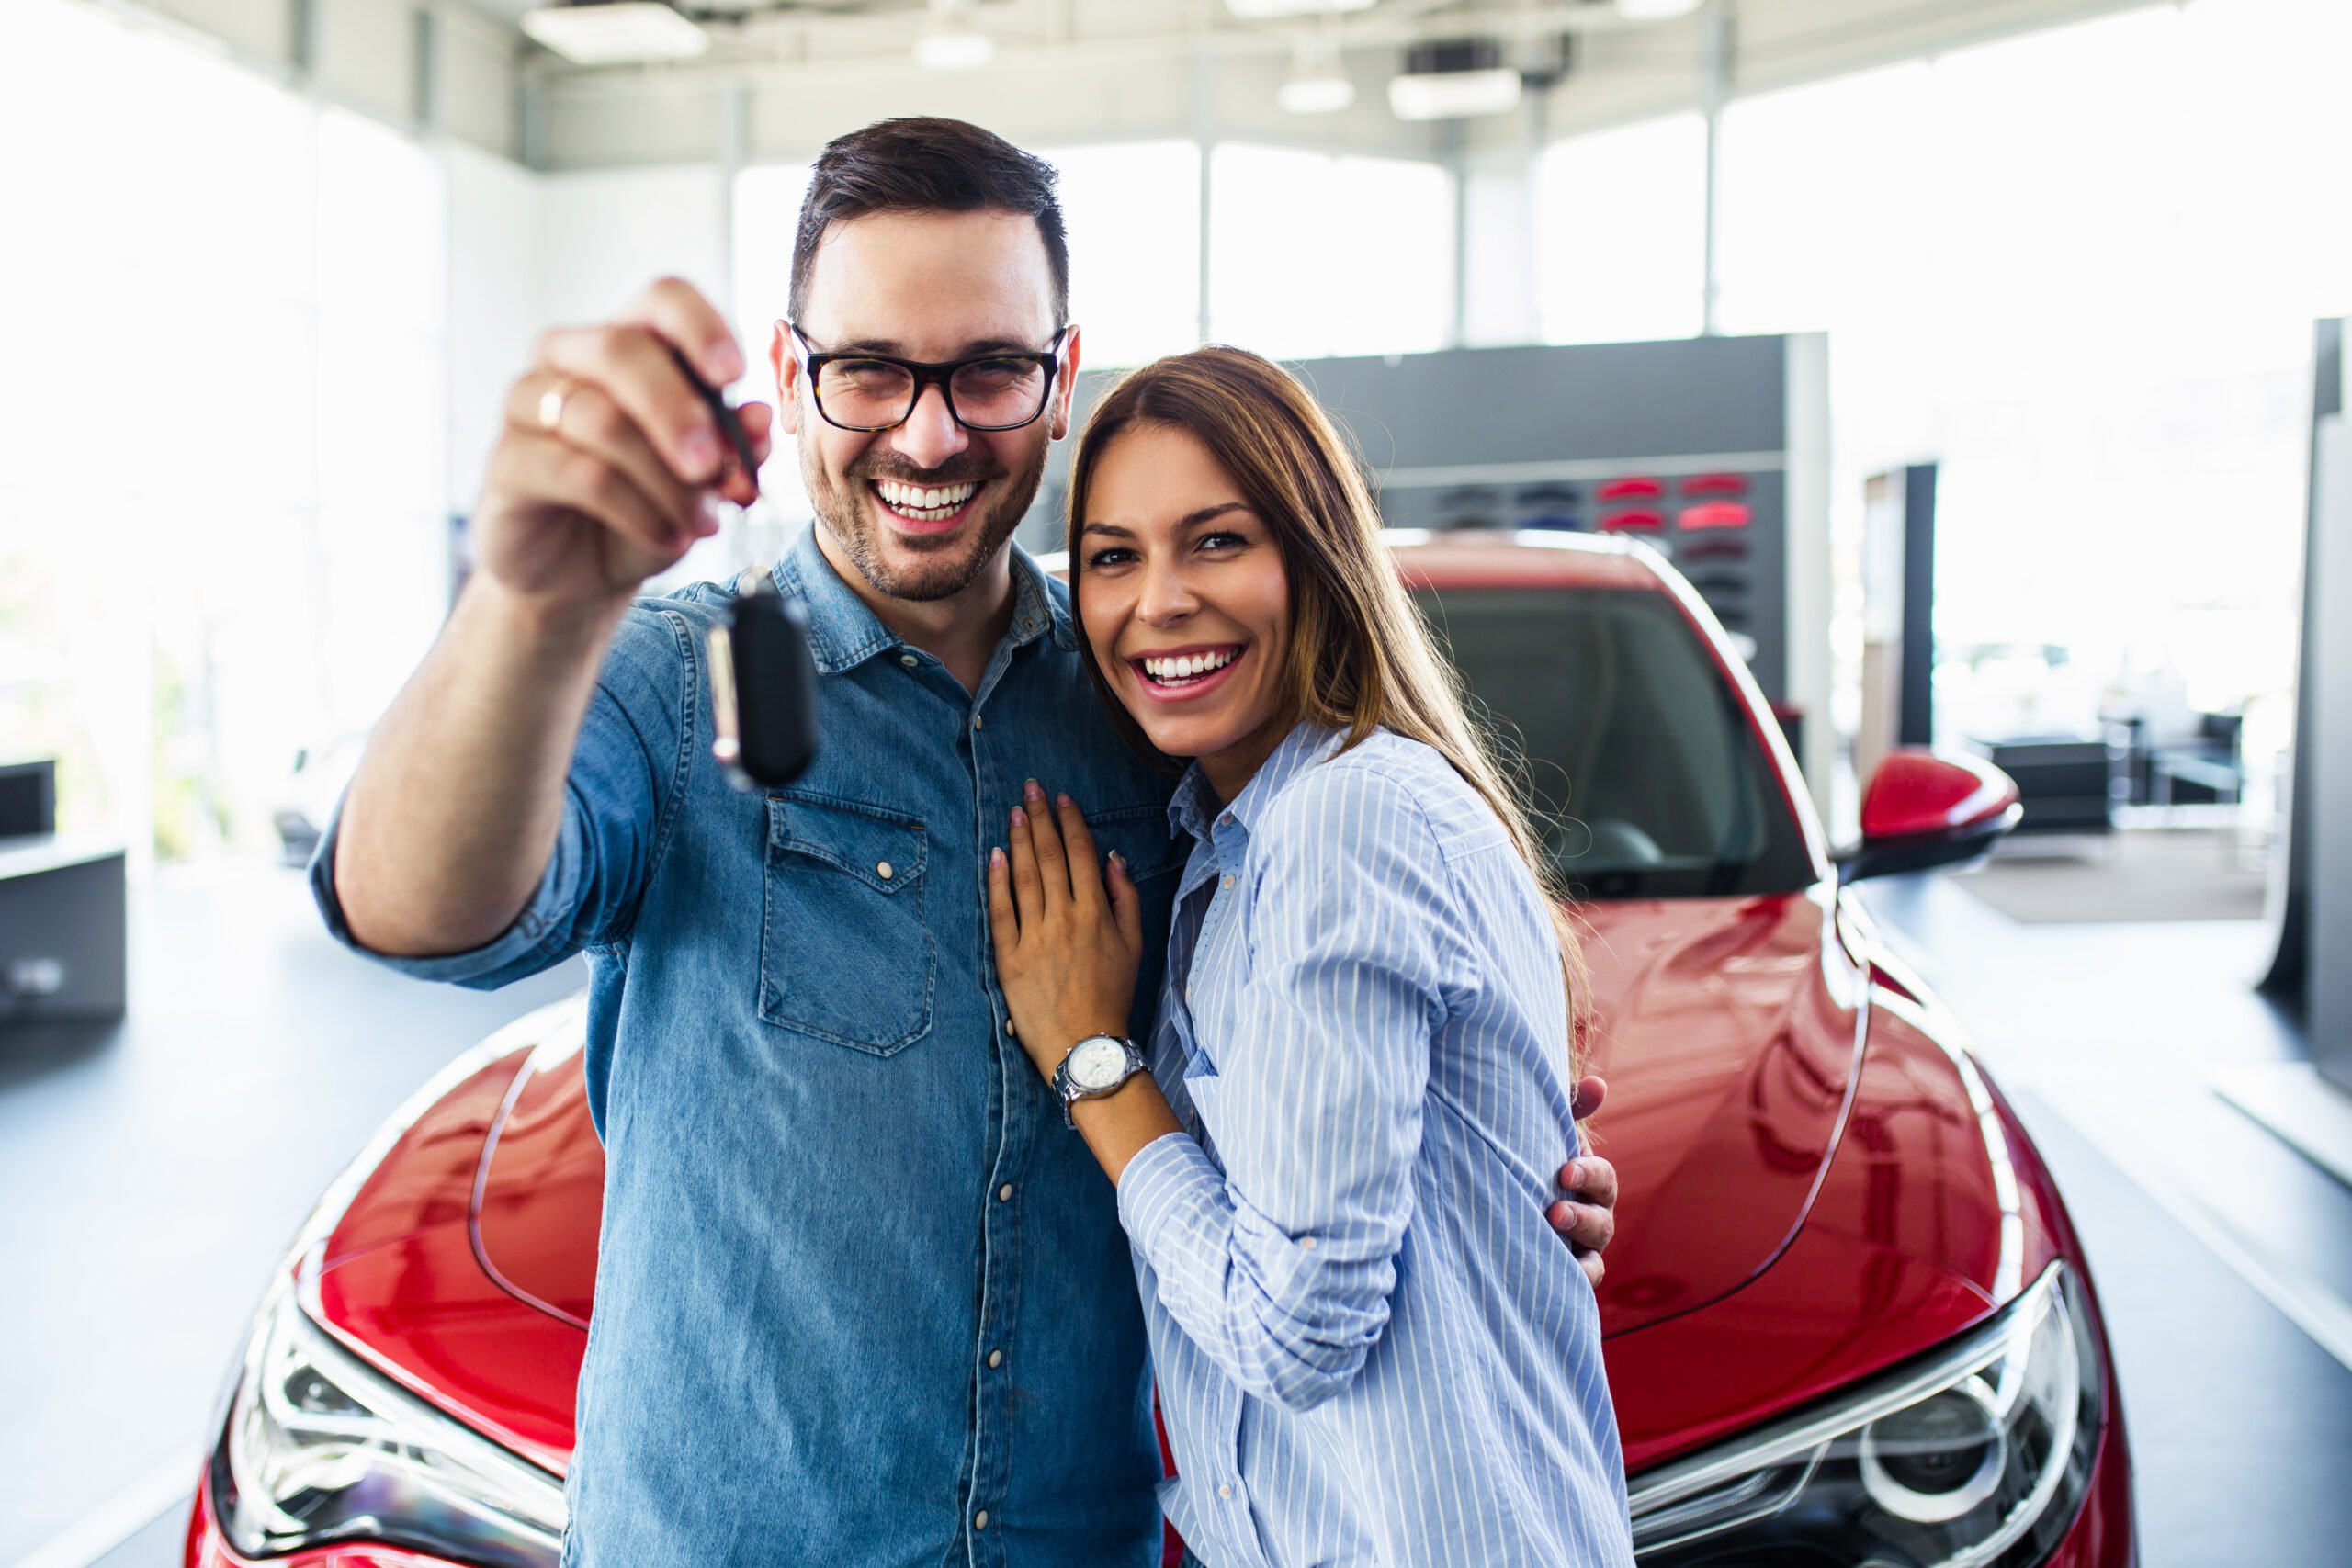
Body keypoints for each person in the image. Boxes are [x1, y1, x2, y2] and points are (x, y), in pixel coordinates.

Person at [316, 118, 1619, 1567]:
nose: (928, 437)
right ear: (793, 376)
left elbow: (1307, 1027)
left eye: (988, 370)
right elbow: (413, 913)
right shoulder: (676, 685)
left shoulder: (1152, 705)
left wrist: (1477, 1166)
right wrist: (526, 604)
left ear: (1060, 381)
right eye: (870, 369)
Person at [985, 345, 1637, 1566]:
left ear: (1315, 557)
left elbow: (1294, 1336)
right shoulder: (1230, 846)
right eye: (1115, 556)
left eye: (1217, 540)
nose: (1160, 600)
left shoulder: (1348, 821)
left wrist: (1093, 1063)